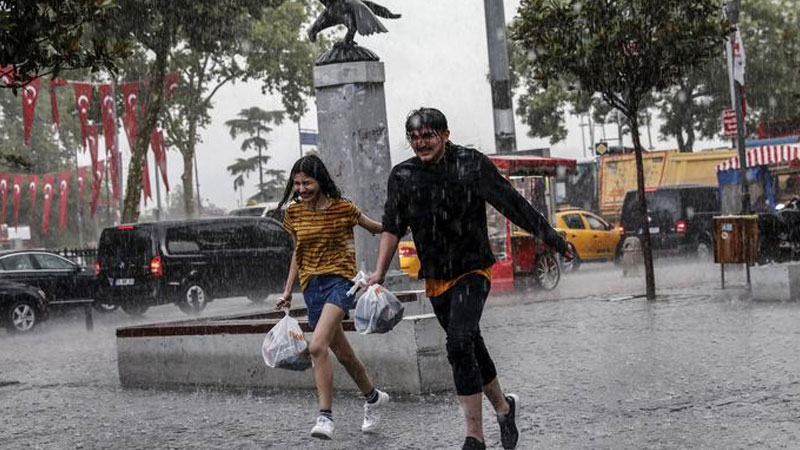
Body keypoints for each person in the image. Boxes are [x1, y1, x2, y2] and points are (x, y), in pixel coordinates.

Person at [367, 107, 572, 450]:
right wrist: (379, 273)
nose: (421, 143)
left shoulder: (471, 163)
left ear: (445, 135)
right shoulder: (403, 176)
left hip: (473, 269)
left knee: (459, 342)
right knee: (471, 345)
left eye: (428, 135)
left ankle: (474, 436)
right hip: (435, 277)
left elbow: (512, 204)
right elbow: (392, 226)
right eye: (415, 138)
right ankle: (504, 409)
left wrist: (552, 238)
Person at [274, 154, 389, 441]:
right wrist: (288, 291)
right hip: (312, 287)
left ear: (320, 180)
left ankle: (325, 416)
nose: (301, 189)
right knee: (344, 354)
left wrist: (404, 225)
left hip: (341, 283)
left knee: (316, 346)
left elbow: (376, 228)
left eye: (307, 183)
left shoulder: (343, 208)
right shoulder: (293, 213)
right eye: (297, 184)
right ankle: (373, 397)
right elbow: (297, 254)